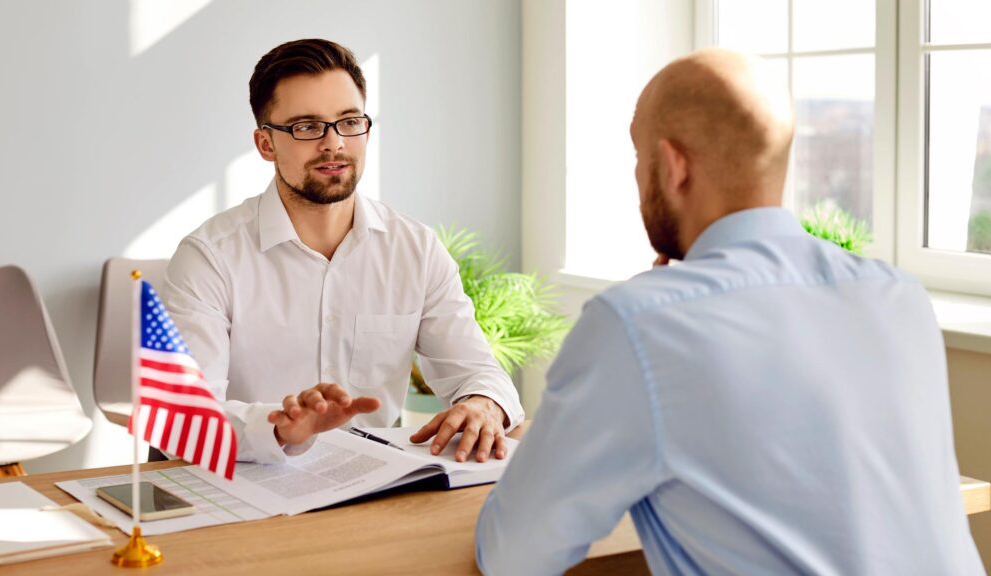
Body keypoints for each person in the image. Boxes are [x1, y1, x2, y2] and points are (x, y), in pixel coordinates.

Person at [475, 48, 983, 575]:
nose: (637, 177)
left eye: (639, 158)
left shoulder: (639, 325)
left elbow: (513, 556)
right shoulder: (897, 296)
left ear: (673, 166)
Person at [160, 39, 523, 466]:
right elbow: (183, 419)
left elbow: (477, 371)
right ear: (266, 144)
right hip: (247, 481)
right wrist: (277, 429)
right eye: (306, 127)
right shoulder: (209, 258)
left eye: (349, 122)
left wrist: (483, 403)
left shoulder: (416, 249)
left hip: (374, 483)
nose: (334, 143)